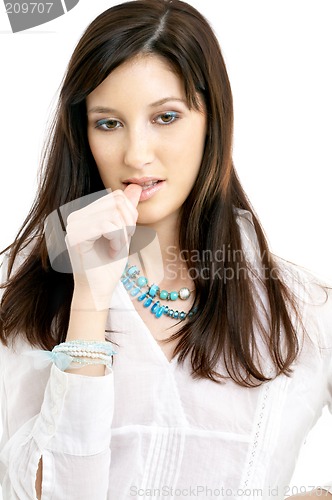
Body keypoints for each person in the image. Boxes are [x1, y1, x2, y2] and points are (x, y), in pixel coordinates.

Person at [0, 0, 331, 498]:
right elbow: (55, 492)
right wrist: (89, 297)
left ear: (211, 121)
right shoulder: (21, 291)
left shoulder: (302, 309)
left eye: (166, 117)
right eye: (108, 123)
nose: (136, 154)